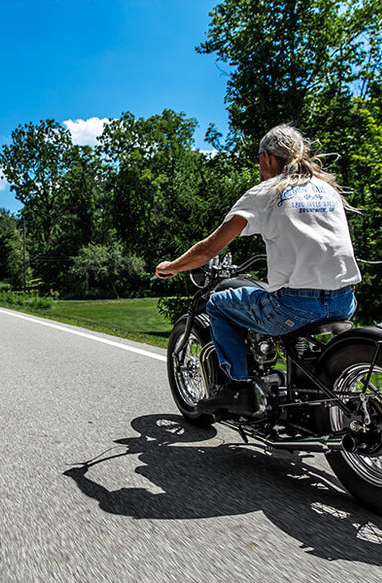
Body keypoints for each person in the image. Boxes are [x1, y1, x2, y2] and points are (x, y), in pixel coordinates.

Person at [155, 124, 362, 416]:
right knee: (275, 300)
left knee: (218, 304)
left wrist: (172, 266)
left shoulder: (265, 192)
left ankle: (239, 388)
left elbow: (210, 249)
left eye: (259, 160)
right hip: (344, 301)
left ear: (266, 157)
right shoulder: (326, 189)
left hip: (296, 306)